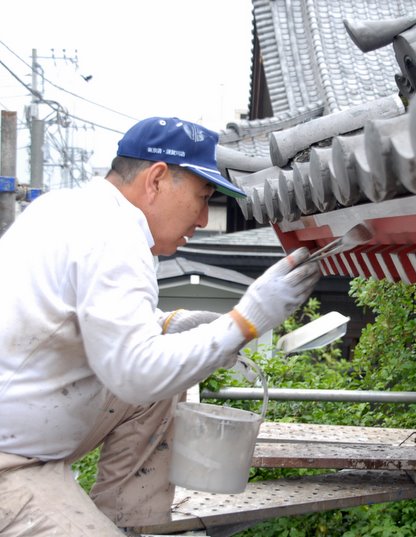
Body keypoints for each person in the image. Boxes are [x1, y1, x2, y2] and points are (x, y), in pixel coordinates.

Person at [0, 117, 320, 535]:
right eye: (202, 196)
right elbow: (136, 375)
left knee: (163, 390)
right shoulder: (113, 235)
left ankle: (134, 524)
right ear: (156, 179)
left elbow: (85, 315)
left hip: (26, 432)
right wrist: (247, 319)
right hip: (12, 462)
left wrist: (170, 323)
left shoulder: (69, 209)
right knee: (153, 381)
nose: (204, 218)